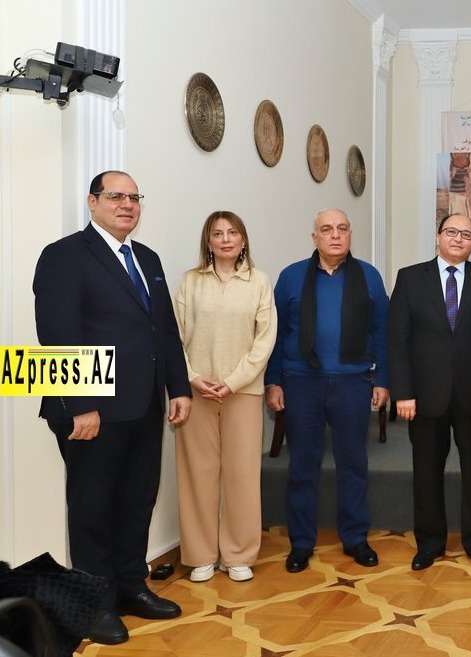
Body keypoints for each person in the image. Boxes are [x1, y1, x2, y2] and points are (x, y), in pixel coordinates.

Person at [33, 170, 192, 645]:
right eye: (115, 196)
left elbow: (163, 330)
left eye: (134, 197)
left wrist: (178, 387)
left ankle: (129, 588)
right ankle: (93, 606)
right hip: (92, 411)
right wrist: (80, 404)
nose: (126, 204)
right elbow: (57, 332)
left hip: (144, 405)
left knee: (137, 499)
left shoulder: (147, 258)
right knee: (92, 509)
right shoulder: (64, 255)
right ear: (92, 202)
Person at [264, 209, 389, 573]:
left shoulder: (368, 276)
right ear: (314, 237)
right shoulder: (290, 277)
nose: (335, 235)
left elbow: (382, 331)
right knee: (302, 465)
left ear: (351, 234)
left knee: (354, 463)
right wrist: (273, 381)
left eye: (342, 229)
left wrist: (383, 380)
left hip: (353, 382)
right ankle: (301, 543)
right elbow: (277, 334)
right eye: (326, 230)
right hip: (301, 383)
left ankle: (355, 538)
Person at [388, 214, 471, 572]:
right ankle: (429, 544)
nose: (459, 239)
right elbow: (398, 341)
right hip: (425, 398)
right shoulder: (410, 278)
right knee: (426, 472)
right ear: (438, 236)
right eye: (452, 232)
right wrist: (403, 393)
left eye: (467, 235)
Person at [173, 211, 276, 584]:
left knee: (241, 475)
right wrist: (192, 378)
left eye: (233, 233)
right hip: (197, 393)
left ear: (244, 240)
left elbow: (264, 341)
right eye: (218, 234)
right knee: (196, 475)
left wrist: (232, 382)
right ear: (209, 242)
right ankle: (200, 554)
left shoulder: (260, 282)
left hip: (242, 391)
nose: (226, 239)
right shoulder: (191, 282)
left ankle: (238, 554)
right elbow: (175, 337)